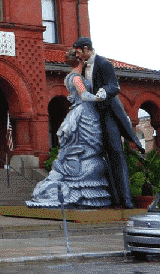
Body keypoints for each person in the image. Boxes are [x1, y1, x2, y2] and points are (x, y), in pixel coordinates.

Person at [27, 51, 112, 208]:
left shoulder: (71, 77)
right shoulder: (76, 77)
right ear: (80, 61)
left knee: (86, 142)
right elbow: (84, 95)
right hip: (85, 110)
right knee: (86, 141)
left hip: (82, 111)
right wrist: (99, 97)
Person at [73, 36, 143, 209]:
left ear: (85, 49)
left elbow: (115, 86)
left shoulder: (104, 64)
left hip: (108, 114)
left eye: (77, 51)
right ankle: (109, 198)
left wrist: (104, 90)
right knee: (97, 157)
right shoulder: (81, 70)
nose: (76, 55)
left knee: (115, 153)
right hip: (92, 116)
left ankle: (125, 199)